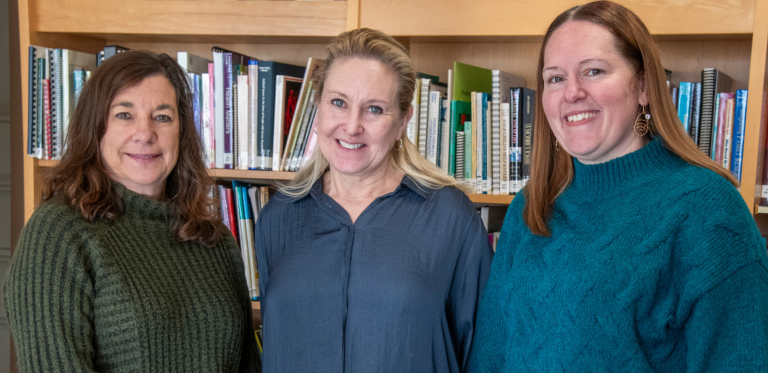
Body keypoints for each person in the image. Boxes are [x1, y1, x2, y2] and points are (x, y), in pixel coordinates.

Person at [469, 1, 768, 371]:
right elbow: (490, 355)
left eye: (593, 71)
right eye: (556, 78)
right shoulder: (532, 205)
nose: (572, 92)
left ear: (643, 86)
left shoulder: (707, 210)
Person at [254, 28, 493, 372]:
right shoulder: (278, 217)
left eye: (374, 109)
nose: (352, 126)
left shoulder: (450, 218)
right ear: (317, 110)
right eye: (338, 103)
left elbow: (483, 352)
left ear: (402, 123)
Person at [4, 51, 259, 372]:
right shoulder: (58, 233)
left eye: (163, 117)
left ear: (182, 132)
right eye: (124, 115)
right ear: (96, 127)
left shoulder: (214, 240)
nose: (145, 133)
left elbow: (248, 364)